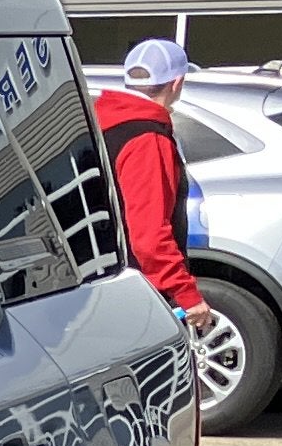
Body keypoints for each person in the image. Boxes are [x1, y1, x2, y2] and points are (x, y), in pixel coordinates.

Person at [89, 38, 208, 313]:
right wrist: (186, 294)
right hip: (136, 292)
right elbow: (149, 234)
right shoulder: (147, 139)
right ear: (177, 83)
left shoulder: (100, 121)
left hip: (98, 282)